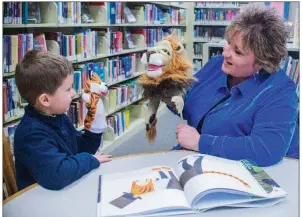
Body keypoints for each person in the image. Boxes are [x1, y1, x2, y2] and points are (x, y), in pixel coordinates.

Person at [172, 3, 299, 166]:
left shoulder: (280, 90)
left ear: (262, 61)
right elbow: (187, 100)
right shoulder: (216, 65)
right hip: (200, 159)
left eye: (237, 51)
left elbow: (266, 149)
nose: (225, 53)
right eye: (228, 43)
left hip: (256, 172)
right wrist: (168, 90)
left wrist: (199, 142)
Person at [14, 50, 112, 190]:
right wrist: (90, 159)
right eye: (68, 89)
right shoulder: (31, 135)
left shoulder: (57, 117)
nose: (73, 93)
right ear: (45, 100)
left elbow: (78, 149)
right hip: (39, 202)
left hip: (61, 192)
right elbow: (58, 175)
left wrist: (95, 129)